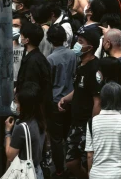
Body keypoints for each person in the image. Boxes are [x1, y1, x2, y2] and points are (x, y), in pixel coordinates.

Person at [59, 28, 104, 179]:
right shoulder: (81, 66)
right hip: (75, 122)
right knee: (71, 161)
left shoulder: (95, 69)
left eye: (80, 42)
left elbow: (97, 101)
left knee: (85, 162)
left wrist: (93, 126)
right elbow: (78, 90)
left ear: (90, 48)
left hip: (86, 124)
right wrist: (65, 99)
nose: (77, 45)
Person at [86, 82, 121, 179]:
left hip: (97, 174)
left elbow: (90, 155)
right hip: (120, 174)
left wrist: (90, 172)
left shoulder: (91, 122)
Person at [46, 24, 76, 179]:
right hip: (71, 98)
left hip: (55, 100)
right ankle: (71, 163)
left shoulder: (50, 59)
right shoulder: (72, 54)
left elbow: (48, 82)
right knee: (68, 134)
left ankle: (59, 169)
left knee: (56, 138)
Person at [5, 82, 47, 179]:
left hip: (25, 174)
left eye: (16, 101)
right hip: (37, 172)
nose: (14, 104)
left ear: (24, 105)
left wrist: (7, 132)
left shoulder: (22, 128)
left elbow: (10, 156)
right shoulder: (39, 121)